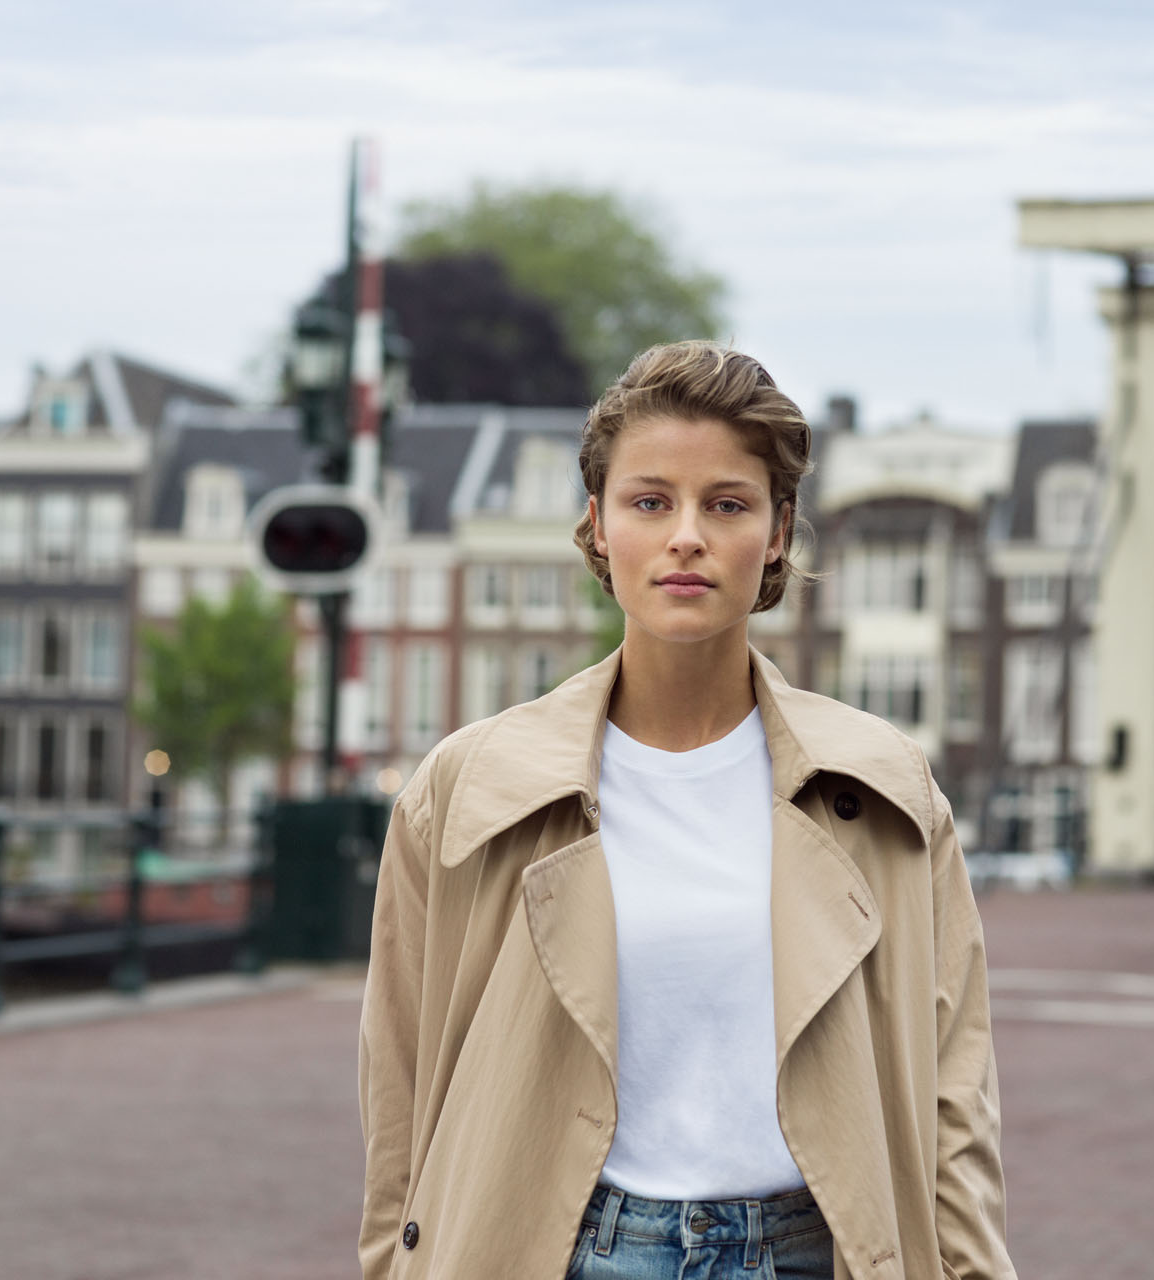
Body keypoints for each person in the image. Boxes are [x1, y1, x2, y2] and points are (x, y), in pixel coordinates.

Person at [357, 341, 1016, 1279]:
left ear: (778, 532)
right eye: (650, 501)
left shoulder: (882, 792)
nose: (686, 537)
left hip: (817, 1254)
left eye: (728, 504)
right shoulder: (468, 789)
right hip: (567, 1254)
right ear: (597, 524)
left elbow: (956, 1094)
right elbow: (401, 1088)